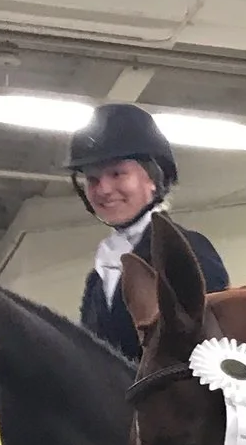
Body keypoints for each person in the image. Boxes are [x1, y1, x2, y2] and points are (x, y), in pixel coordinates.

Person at [71, 102, 229, 363]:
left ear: (154, 179)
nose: (103, 190)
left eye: (117, 174)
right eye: (93, 180)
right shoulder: (97, 278)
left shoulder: (186, 248)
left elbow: (213, 339)